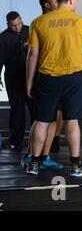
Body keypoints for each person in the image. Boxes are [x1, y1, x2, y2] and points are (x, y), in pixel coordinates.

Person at [26, 0, 82, 176]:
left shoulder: (38, 22)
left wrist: (29, 82)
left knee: (42, 121)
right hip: (73, 79)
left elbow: (32, 55)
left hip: (46, 78)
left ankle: (33, 165)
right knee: (71, 122)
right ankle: (76, 167)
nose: (76, 3)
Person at [21, 0, 65, 171]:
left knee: (55, 119)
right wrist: (29, 82)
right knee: (41, 120)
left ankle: (45, 157)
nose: (60, 1)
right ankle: (31, 156)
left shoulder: (60, 23)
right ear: (47, 4)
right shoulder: (39, 24)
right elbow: (32, 55)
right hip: (44, 77)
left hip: (60, 77)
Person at [0, 11, 30, 151]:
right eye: (13, 25)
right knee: (17, 109)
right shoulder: (3, 37)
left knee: (35, 109)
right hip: (13, 77)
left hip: (30, 76)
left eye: (19, 23)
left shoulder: (29, 31)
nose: (17, 27)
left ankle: (37, 142)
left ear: (21, 20)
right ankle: (15, 141)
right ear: (8, 24)